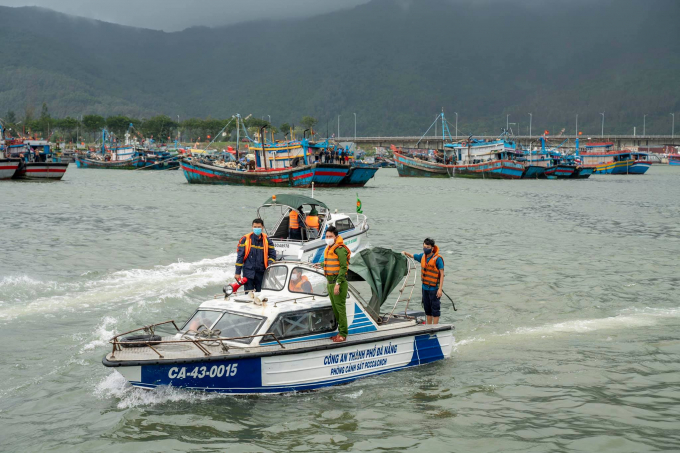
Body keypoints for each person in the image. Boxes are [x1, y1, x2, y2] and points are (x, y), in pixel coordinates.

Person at [403, 238, 444, 324]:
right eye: (424, 247)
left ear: (432, 248)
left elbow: (442, 274)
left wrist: (440, 289)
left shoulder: (438, 259)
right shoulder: (422, 256)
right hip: (425, 288)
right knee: (427, 309)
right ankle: (429, 327)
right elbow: (413, 256)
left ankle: (435, 327)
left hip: (434, 289)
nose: (425, 248)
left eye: (428, 247)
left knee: (435, 309)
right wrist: (405, 253)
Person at [323, 226, 351, 342]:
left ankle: (343, 334)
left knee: (340, 309)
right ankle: (339, 332)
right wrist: (320, 265)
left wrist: (338, 283)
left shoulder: (340, 249)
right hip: (330, 282)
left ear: (336, 237)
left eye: (330, 236)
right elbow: (330, 262)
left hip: (338, 283)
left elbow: (343, 267)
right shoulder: (330, 248)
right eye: (327, 236)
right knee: (335, 309)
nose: (328, 238)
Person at [235, 219, 276, 292]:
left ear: (262, 227)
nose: (257, 228)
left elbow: (273, 255)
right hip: (248, 272)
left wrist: (269, 265)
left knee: (260, 295)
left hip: (261, 272)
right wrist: (237, 272)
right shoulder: (245, 239)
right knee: (248, 295)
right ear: (252, 227)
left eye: (259, 227)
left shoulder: (267, 240)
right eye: (255, 227)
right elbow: (240, 256)